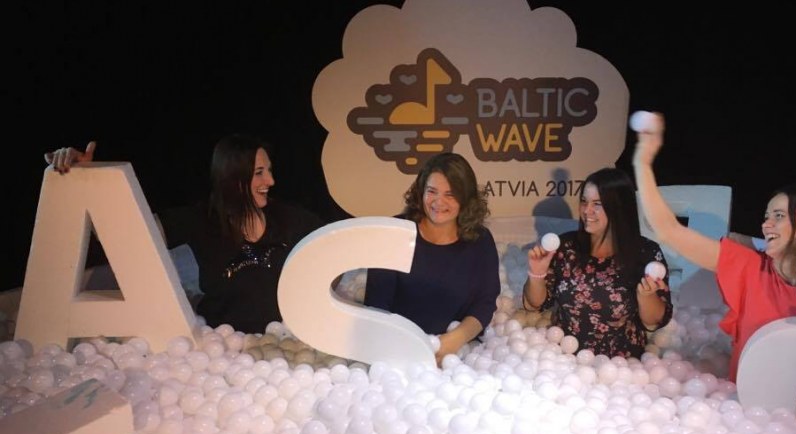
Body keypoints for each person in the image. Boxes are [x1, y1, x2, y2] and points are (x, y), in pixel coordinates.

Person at [631, 112, 796, 401]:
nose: (766, 224)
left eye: (779, 216)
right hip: (747, 413)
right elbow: (669, 230)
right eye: (766, 216)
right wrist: (642, 163)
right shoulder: (751, 269)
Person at [44, 134, 327, 335]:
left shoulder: (288, 218)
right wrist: (86, 179)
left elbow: (335, 243)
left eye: (270, 171)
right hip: (221, 352)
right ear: (231, 176)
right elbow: (124, 234)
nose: (271, 181)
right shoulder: (200, 219)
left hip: (279, 347)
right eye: (259, 173)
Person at [364, 152, 501, 366]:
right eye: (432, 191)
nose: (439, 202)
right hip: (398, 352)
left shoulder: (480, 240)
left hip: (462, 356)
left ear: (466, 198)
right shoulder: (394, 234)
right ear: (421, 192)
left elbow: (485, 302)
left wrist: (456, 339)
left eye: (450, 194)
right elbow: (377, 306)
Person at [522, 167, 673, 358]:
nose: (587, 210)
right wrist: (537, 273)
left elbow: (654, 321)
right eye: (584, 201)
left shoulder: (645, 253)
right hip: (564, 359)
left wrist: (647, 296)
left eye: (597, 204)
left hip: (622, 365)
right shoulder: (566, 247)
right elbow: (535, 304)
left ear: (619, 207)